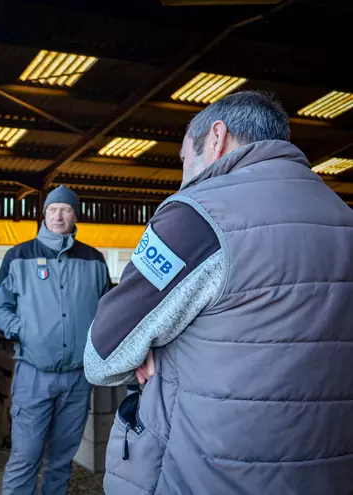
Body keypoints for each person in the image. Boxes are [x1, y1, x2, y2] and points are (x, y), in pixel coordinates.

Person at [84, 90, 353, 494]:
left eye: (183, 161)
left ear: (216, 138)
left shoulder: (196, 215)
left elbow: (103, 356)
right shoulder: (343, 217)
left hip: (208, 473)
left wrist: (160, 348)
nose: (183, 176)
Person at [0, 185, 111, 495]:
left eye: (65, 209)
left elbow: (108, 311)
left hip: (78, 379)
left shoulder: (94, 260)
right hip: (34, 374)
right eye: (53, 209)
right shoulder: (18, 256)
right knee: (26, 456)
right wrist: (23, 330)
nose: (58, 215)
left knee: (62, 458)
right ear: (44, 214)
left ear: (74, 215)